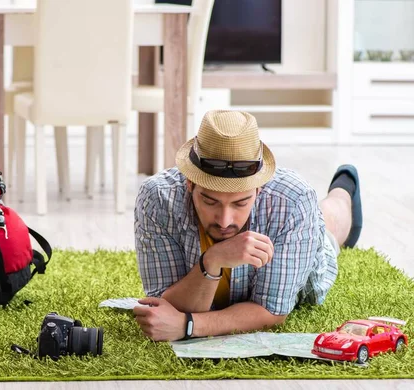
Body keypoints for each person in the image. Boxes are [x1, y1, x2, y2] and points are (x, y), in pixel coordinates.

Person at [133, 110, 362, 342]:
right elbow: (164, 305)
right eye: (210, 201)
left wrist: (188, 326)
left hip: (307, 238)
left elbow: (271, 311)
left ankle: (344, 187)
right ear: (190, 184)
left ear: (258, 189)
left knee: (330, 226)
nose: (224, 221)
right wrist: (211, 262)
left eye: (240, 202)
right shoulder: (158, 198)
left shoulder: (294, 201)